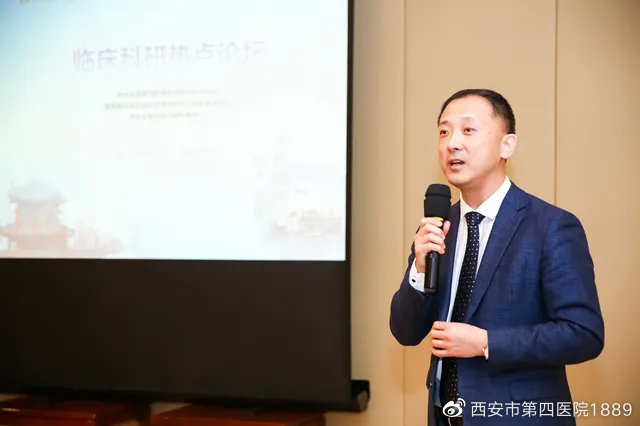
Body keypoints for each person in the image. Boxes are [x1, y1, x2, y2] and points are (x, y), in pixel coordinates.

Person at [389, 89, 604, 426]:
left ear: (507, 145)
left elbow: (583, 335)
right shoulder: (438, 227)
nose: (452, 143)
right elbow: (405, 332)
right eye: (444, 132)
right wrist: (418, 269)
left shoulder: (550, 226)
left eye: (468, 130)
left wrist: (486, 343)